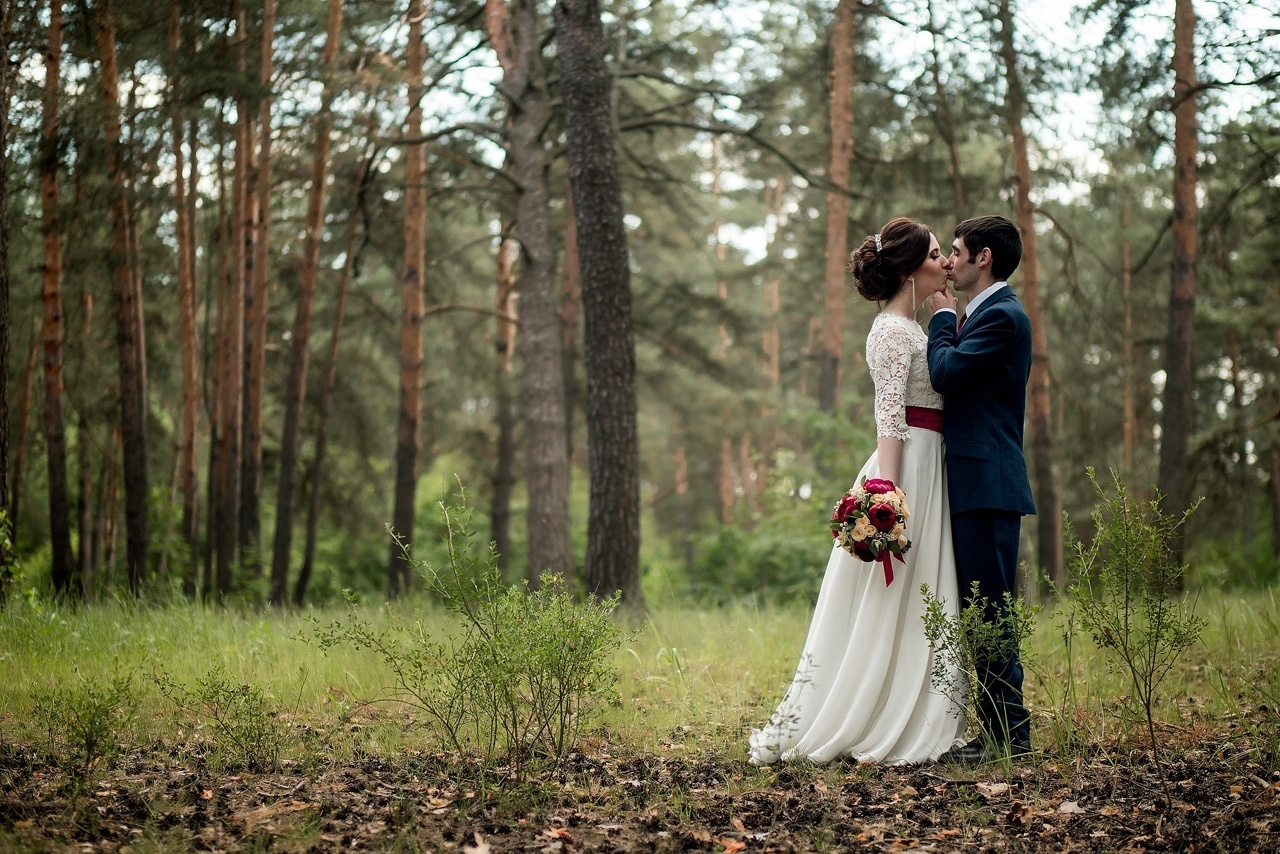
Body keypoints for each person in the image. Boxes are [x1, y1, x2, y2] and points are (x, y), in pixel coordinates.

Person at [748, 217, 967, 766]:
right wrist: (888, 497)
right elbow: (890, 418)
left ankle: (913, 703)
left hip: (931, 459)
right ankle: (871, 712)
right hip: (909, 462)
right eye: (937, 254)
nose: (945, 263)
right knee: (895, 592)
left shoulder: (914, 328)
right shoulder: (892, 332)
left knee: (924, 593)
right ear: (912, 267)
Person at [925, 215, 1036, 765]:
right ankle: (996, 733)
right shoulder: (986, 313)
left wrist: (943, 318)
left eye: (955, 251)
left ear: (983, 257)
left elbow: (946, 373)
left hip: (988, 482)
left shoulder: (1002, 318)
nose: (948, 260)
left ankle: (1009, 738)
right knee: (980, 612)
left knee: (990, 612)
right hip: (974, 480)